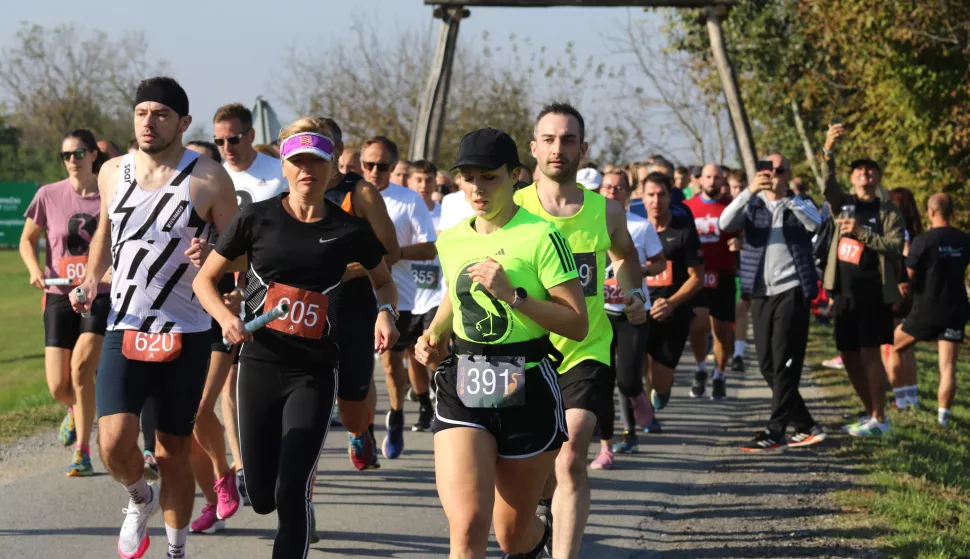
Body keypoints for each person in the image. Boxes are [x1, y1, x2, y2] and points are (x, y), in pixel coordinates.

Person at [195, 116, 399, 558]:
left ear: (331, 168)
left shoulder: (350, 231)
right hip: (260, 365)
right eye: (297, 161)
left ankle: (299, 511)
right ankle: (280, 495)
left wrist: (385, 313)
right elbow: (205, 281)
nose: (307, 170)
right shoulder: (256, 219)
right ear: (283, 168)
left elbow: (384, 281)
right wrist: (227, 318)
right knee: (263, 495)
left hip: (314, 370)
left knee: (291, 493)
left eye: (316, 162)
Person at [69, 76, 239, 559]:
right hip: (125, 323)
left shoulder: (208, 178)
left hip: (185, 332)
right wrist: (90, 280)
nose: (149, 121)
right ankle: (137, 497)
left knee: (172, 453)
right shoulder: (111, 172)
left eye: (161, 114)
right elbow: (106, 231)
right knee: (114, 441)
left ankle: (176, 548)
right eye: (142, 112)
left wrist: (212, 252)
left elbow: (241, 255)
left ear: (183, 123)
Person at [414, 127, 586, 559]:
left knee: (512, 536)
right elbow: (455, 297)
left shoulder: (543, 236)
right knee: (468, 527)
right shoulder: (452, 238)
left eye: (489, 177)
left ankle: (535, 541)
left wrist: (513, 296)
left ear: (516, 176)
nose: (477, 187)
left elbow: (577, 323)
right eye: (468, 176)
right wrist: (434, 336)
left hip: (526, 384)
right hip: (464, 383)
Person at [515, 103, 647, 559]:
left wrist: (635, 296)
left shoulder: (605, 211)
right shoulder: (512, 208)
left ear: (583, 149)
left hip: (584, 347)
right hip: (524, 350)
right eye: (548, 139)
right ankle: (543, 515)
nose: (558, 148)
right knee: (537, 468)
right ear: (533, 148)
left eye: (568, 139)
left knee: (571, 456)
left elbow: (626, 259)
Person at [20, 129, 110, 477]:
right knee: (60, 386)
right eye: (66, 155)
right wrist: (33, 270)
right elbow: (27, 240)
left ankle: (82, 452)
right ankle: (76, 409)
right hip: (58, 294)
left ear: (92, 156)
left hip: (98, 295)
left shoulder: (109, 196)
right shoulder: (48, 195)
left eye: (79, 153)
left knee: (82, 369)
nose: (72, 160)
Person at [721, 154, 826, 451]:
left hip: (792, 290)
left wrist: (787, 198)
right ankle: (806, 425)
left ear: (789, 174)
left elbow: (814, 224)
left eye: (780, 170)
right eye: (768, 170)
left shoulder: (800, 202)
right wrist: (749, 191)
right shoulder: (752, 203)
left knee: (784, 364)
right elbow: (725, 223)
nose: (774, 175)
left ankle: (775, 430)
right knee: (767, 364)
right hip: (761, 291)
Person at [214, 102, 288, 505]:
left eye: (234, 138)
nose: (227, 147)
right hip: (224, 288)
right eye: (220, 140)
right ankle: (242, 465)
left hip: (267, 292)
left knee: (269, 384)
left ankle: (281, 466)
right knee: (228, 380)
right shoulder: (211, 175)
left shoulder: (277, 174)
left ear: (251, 135)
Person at [322, 119, 401, 473]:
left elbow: (391, 251)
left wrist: (346, 270)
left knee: (352, 390)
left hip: (352, 301)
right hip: (307, 306)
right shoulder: (289, 192)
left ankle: (359, 430)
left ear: (338, 150)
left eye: (322, 146)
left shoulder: (361, 192)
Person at [822, 123, 905, 437]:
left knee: (869, 351)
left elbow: (896, 247)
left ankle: (880, 418)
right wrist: (828, 149)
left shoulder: (889, 211)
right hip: (844, 291)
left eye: (871, 170)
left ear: (878, 178)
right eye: (859, 170)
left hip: (873, 289)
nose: (865, 174)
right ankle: (871, 414)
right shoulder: (843, 204)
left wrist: (862, 233)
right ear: (852, 177)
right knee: (848, 354)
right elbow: (826, 183)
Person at [361, 136, 437, 459]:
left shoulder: (408, 200)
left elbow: (429, 246)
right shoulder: (349, 197)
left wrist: (392, 254)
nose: (374, 171)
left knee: (391, 366)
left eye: (382, 166)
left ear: (393, 168)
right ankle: (363, 430)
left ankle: (395, 415)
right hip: (353, 294)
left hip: (396, 297)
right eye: (368, 165)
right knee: (359, 368)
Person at [599, 171, 666, 457]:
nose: (613, 192)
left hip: (633, 312)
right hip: (600, 313)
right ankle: (610, 444)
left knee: (627, 379)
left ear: (628, 193)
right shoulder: (586, 225)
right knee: (603, 379)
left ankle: (640, 399)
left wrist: (643, 270)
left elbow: (660, 262)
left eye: (619, 188)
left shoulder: (640, 226)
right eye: (608, 187)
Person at [893, 193, 969, 427]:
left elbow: (909, 277)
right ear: (952, 213)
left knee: (893, 346)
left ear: (931, 212)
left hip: (926, 310)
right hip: (955, 310)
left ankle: (902, 401)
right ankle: (942, 419)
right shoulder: (964, 240)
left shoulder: (924, 240)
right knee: (948, 367)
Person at [639, 173, 705, 436]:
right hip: (639, 312)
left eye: (661, 194)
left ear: (670, 196)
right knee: (635, 368)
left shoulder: (684, 231)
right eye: (651, 195)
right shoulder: (632, 228)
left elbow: (697, 278)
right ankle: (646, 416)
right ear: (641, 197)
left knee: (660, 382)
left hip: (673, 315)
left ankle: (662, 390)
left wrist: (672, 303)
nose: (656, 201)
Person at [684, 163, 738, 400]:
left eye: (717, 177)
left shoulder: (732, 207)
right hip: (697, 275)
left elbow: (743, 235)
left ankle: (719, 374)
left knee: (723, 332)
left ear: (722, 180)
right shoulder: (688, 207)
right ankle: (700, 369)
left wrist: (740, 244)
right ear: (700, 180)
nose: (712, 181)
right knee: (698, 326)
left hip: (724, 274)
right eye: (708, 177)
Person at [404, 159, 445, 432]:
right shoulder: (401, 211)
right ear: (408, 182)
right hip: (408, 295)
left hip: (436, 295)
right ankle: (423, 406)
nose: (422, 185)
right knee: (412, 354)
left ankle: (442, 399)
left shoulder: (445, 214)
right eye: (417, 180)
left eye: (428, 180)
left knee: (432, 350)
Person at [884, 187, 921, 410]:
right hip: (910, 293)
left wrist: (901, 279)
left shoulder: (901, 230)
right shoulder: (916, 231)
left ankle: (900, 400)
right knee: (906, 346)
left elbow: (905, 256)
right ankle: (911, 397)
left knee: (893, 345)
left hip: (898, 291)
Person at [726, 169, 749, 372]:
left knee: (741, 309)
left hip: (745, 267)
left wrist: (741, 243)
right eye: (734, 187)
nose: (738, 191)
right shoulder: (725, 207)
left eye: (742, 188)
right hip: (724, 268)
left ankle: (739, 354)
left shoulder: (753, 207)